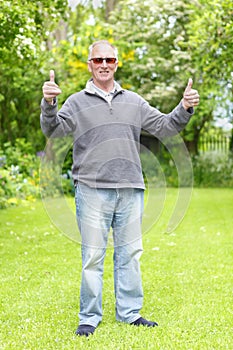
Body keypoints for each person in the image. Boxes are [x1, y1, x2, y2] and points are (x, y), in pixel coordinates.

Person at [40, 40, 200, 337]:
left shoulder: (134, 101)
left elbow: (165, 127)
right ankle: (89, 317)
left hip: (130, 187)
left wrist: (185, 107)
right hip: (91, 189)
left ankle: (130, 313)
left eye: (109, 60)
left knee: (129, 254)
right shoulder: (75, 101)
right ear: (89, 64)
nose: (104, 64)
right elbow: (53, 131)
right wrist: (49, 105)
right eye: (98, 59)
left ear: (116, 64)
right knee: (93, 256)